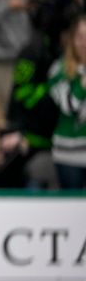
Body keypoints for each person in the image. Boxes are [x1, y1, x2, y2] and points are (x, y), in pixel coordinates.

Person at [47, 15, 86, 189]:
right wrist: (82, 83)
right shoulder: (59, 70)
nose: (85, 43)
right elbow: (69, 106)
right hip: (70, 155)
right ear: (72, 40)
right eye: (80, 37)